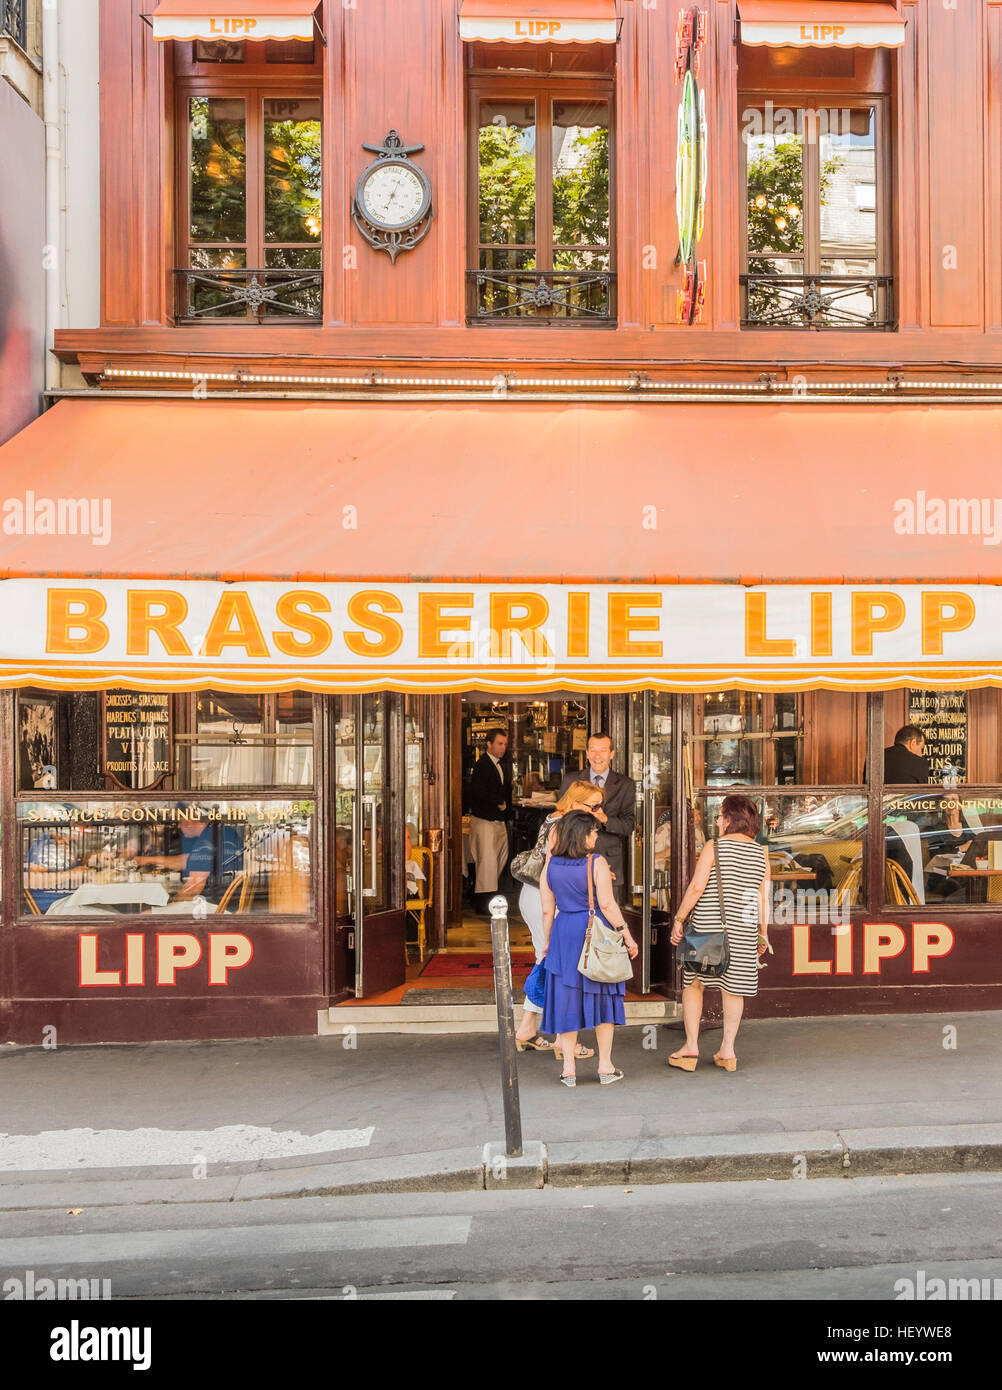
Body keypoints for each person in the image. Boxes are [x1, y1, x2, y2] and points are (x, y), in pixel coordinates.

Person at [668, 794, 771, 1073]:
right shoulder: (761, 853)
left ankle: (690, 1048)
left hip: (708, 929)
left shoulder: (716, 847)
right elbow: (762, 898)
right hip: (743, 930)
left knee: (694, 984)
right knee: (733, 988)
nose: (717, 821)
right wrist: (763, 933)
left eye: (720, 815)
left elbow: (697, 887)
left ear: (730, 818)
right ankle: (727, 1051)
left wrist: (679, 918)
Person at [539, 811, 639, 1087]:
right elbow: (607, 904)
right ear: (581, 834)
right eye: (594, 831)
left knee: (566, 999)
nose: (596, 835)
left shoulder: (550, 866)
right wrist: (627, 935)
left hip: (563, 932)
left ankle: (569, 1069)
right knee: (603, 995)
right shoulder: (596, 863)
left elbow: (548, 911)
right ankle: (605, 1066)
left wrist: (548, 943)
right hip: (594, 931)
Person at [515, 780, 605, 1057]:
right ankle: (561, 1040)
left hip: (538, 897)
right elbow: (555, 870)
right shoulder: (562, 827)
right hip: (546, 899)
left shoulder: (555, 820)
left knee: (547, 964)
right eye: (595, 806)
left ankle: (528, 1028)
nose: (600, 813)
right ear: (577, 804)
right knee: (557, 967)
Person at [559, 732, 636, 903]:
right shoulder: (571, 780)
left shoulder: (625, 785)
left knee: (607, 913)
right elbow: (561, 817)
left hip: (608, 860)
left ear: (612, 753)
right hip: (574, 858)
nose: (597, 756)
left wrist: (605, 819)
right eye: (593, 751)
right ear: (586, 753)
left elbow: (629, 825)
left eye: (603, 750)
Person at [133, 806, 220, 904]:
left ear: (193, 821)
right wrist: (147, 860)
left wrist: (172, 902)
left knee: (145, 913)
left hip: (210, 906)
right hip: (214, 901)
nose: (178, 826)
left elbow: (194, 887)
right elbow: (185, 861)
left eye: (181, 822)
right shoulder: (208, 836)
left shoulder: (205, 844)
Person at [467, 727, 512, 916]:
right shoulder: (482, 765)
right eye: (500, 744)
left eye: (505, 744)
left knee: (499, 857)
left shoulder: (500, 764)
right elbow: (478, 791)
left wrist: (505, 805)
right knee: (487, 861)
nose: (503, 748)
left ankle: (490, 898)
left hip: (497, 820)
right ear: (489, 744)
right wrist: (498, 802)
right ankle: (483, 903)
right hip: (484, 820)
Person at [26, 817, 85, 913]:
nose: (88, 829)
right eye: (84, 825)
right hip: (52, 905)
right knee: (109, 916)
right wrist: (71, 874)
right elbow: (34, 881)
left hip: (71, 901)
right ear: (70, 825)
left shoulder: (68, 843)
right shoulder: (45, 845)